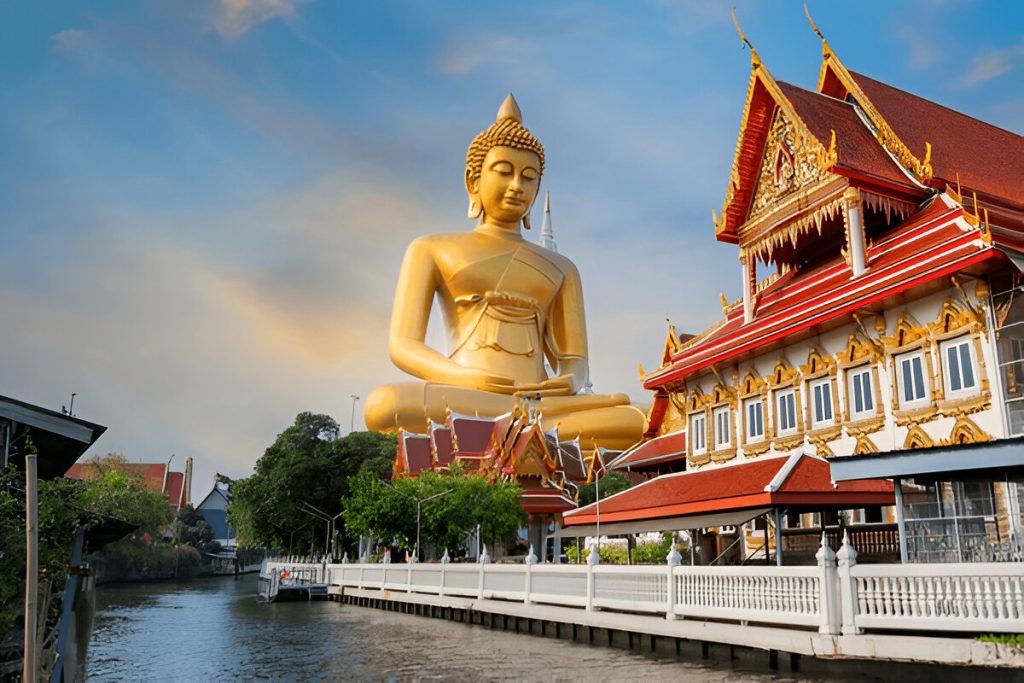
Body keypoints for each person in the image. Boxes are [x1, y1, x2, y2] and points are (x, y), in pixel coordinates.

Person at [364, 95, 645, 450]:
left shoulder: (563, 268)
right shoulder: (431, 248)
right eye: (504, 172)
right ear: (473, 181)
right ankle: (530, 429)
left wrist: (569, 381)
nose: (517, 186)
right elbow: (403, 346)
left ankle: (526, 425)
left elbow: (575, 362)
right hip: (468, 395)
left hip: (541, 401)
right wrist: (466, 378)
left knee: (639, 416)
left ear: (537, 189)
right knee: (384, 404)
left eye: (529, 178)